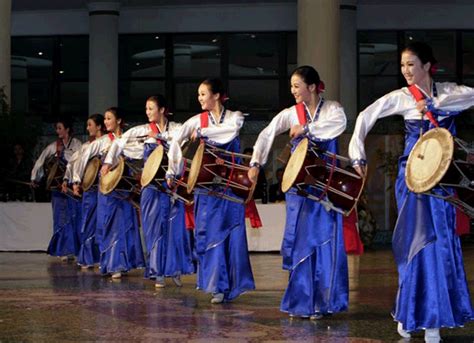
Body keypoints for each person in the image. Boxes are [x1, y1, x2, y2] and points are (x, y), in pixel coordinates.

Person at [348, 42, 474, 342]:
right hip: (413, 179)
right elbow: (365, 117)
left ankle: (433, 319)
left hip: (442, 180)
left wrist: (434, 106)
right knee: (413, 245)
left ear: (428, 66)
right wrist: (358, 157)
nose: (406, 71)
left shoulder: (449, 93)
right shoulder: (402, 98)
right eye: (403, 65)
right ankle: (411, 313)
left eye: (411, 65)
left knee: (439, 244)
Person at [248, 66, 348, 319]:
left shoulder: (332, 109)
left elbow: (338, 125)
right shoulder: (291, 113)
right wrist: (255, 163)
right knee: (302, 240)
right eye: (291, 86)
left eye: (296, 85)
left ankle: (323, 302)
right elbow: (266, 133)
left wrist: (306, 130)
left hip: (325, 186)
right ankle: (302, 300)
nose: (292, 91)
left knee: (324, 240)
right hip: (299, 188)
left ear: (312, 87)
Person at [166, 78, 255, 303]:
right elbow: (175, 141)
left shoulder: (234, 117)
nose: (200, 98)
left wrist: (204, 134)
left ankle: (233, 284)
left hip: (230, 185)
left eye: (203, 94)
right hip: (206, 188)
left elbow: (230, 131)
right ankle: (216, 285)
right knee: (208, 234)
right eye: (198, 94)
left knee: (232, 234)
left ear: (216, 95)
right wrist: (173, 171)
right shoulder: (196, 121)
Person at [104, 95, 194, 287]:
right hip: (151, 187)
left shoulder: (176, 128)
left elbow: (191, 131)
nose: (147, 112)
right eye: (146, 109)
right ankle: (157, 272)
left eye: (151, 108)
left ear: (162, 110)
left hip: (172, 186)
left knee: (174, 230)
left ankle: (174, 269)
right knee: (153, 230)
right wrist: (108, 163)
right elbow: (119, 143)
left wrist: (194, 134)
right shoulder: (142, 131)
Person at [75, 107, 145, 279]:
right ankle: (111, 264)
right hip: (107, 189)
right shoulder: (102, 141)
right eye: (104, 119)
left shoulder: (129, 139)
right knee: (109, 225)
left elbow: (140, 157)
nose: (106, 122)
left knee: (125, 225)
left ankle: (123, 263)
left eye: (109, 118)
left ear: (119, 120)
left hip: (124, 188)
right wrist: (77, 180)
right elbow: (83, 158)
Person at [30, 118, 82, 260]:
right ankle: (62, 250)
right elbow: (41, 160)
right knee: (60, 217)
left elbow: (81, 162)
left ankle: (74, 249)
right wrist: (35, 177)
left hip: (71, 186)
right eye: (57, 128)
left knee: (73, 216)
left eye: (60, 128)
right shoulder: (54, 146)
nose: (57, 131)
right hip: (57, 188)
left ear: (67, 129)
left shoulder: (77, 144)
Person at [68, 113, 106, 269]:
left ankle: (103, 257)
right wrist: (75, 181)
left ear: (99, 126)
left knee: (103, 222)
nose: (87, 127)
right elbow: (76, 164)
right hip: (90, 188)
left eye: (90, 124)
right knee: (88, 222)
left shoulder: (107, 143)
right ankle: (88, 258)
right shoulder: (86, 147)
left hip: (105, 188)